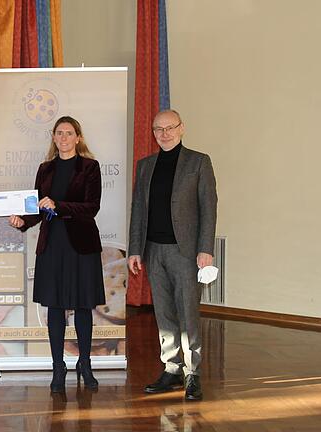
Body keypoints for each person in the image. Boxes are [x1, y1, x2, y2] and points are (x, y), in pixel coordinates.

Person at [8, 116, 105, 393]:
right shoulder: (45, 169)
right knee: (55, 308)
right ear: (53, 137)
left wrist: (58, 205)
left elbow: (92, 207)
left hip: (81, 245)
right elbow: (38, 208)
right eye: (59, 133)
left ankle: (84, 364)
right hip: (52, 246)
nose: (63, 138)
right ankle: (58, 366)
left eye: (69, 133)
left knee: (84, 306)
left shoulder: (90, 167)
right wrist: (23, 222)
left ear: (78, 137)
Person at [127, 109, 217, 401]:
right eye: (158, 129)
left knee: (188, 312)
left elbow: (209, 208)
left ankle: (193, 374)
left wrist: (206, 249)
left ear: (182, 128)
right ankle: (172, 369)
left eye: (169, 128)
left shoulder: (199, 162)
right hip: (154, 250)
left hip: (186, 252)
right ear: (153, 132)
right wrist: (135, 249)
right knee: (164, 313)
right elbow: (138, 209)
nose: (164, 133)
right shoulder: (145, 165)